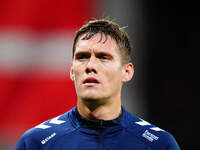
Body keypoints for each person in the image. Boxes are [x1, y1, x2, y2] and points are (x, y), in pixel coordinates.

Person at [14, 19, 180, 150]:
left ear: (127, 72)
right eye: (82, 57)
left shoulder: (158, 144)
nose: (90, 66)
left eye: (103, 57)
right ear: (72, 71)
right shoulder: (36, 143)